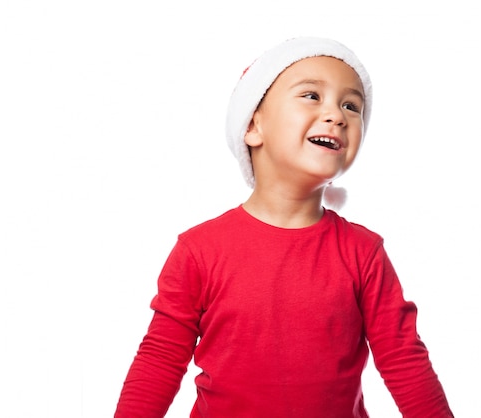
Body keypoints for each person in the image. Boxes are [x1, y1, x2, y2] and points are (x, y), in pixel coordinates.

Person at [114, 36, 453, 418]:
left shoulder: (364, 251)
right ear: (253, 126)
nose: (338, 115)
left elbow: (403, 360)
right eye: (311, 95)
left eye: (351, 105)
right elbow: (160, 360)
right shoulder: (199, 250)